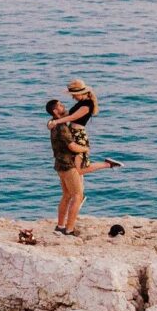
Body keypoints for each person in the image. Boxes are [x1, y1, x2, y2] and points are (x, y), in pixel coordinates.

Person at [47, 98, 121, 237]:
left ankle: (60, 226)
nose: (63, 106)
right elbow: (72, 146)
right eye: (60, 106)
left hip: (59, 165)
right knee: (77, 196)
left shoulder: (54, 123)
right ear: (56, 111)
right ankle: (69, 230)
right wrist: (85, 148)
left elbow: (54, 123)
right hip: (68, 165)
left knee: (67, 195)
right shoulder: (62, 128)